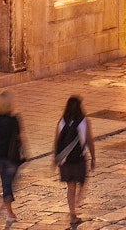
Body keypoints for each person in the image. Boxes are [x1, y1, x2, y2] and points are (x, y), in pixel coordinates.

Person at [54, 96, 96, 225]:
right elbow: (89, 141)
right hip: (79, 159)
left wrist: (55, 160)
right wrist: (94, 157)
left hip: (65, 160)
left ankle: (72, 213)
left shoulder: (61, 121)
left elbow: (56, 142)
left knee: (70, 187)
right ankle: (78, 199)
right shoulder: (84, 122)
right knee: (83, 181)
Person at [0, 92, 25, 223]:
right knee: (9, 182)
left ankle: (7, 206)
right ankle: (9, 212)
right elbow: (20, 137)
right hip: (11, 156)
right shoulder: (14, 119)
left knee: (7, 181)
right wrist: (25, 151)